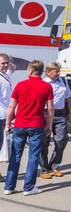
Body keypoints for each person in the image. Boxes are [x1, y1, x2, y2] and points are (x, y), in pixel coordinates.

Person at [3, 60, 54, 196]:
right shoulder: (47, 87)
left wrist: (8, 123)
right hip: (36, 124)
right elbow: (50, 108)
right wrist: (49, 125)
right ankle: (28, 187)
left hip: (20, 124)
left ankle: (9, 186)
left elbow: (12, 107)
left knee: (15, 155)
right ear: (41, 71)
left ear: (30, 70)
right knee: (33, 156)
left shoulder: (20, 85)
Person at [39, 62, 71, 179]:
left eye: (59, 71)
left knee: (62, 139)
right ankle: (44, 168)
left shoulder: (63, 81)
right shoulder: (43, 83)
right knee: (44, 142)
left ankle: (54, 165)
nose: (59, 73)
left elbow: (68, 98)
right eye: (56, 71)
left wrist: (70, 112)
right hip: (45, 113)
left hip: (60, 114)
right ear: (48, 72)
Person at [0, 53, 14, 183]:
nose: (5, 65)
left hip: (5, 115)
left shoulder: (6, 74)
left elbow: (13, 67)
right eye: (3, 63)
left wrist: (9, 61)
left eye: (6, 63)